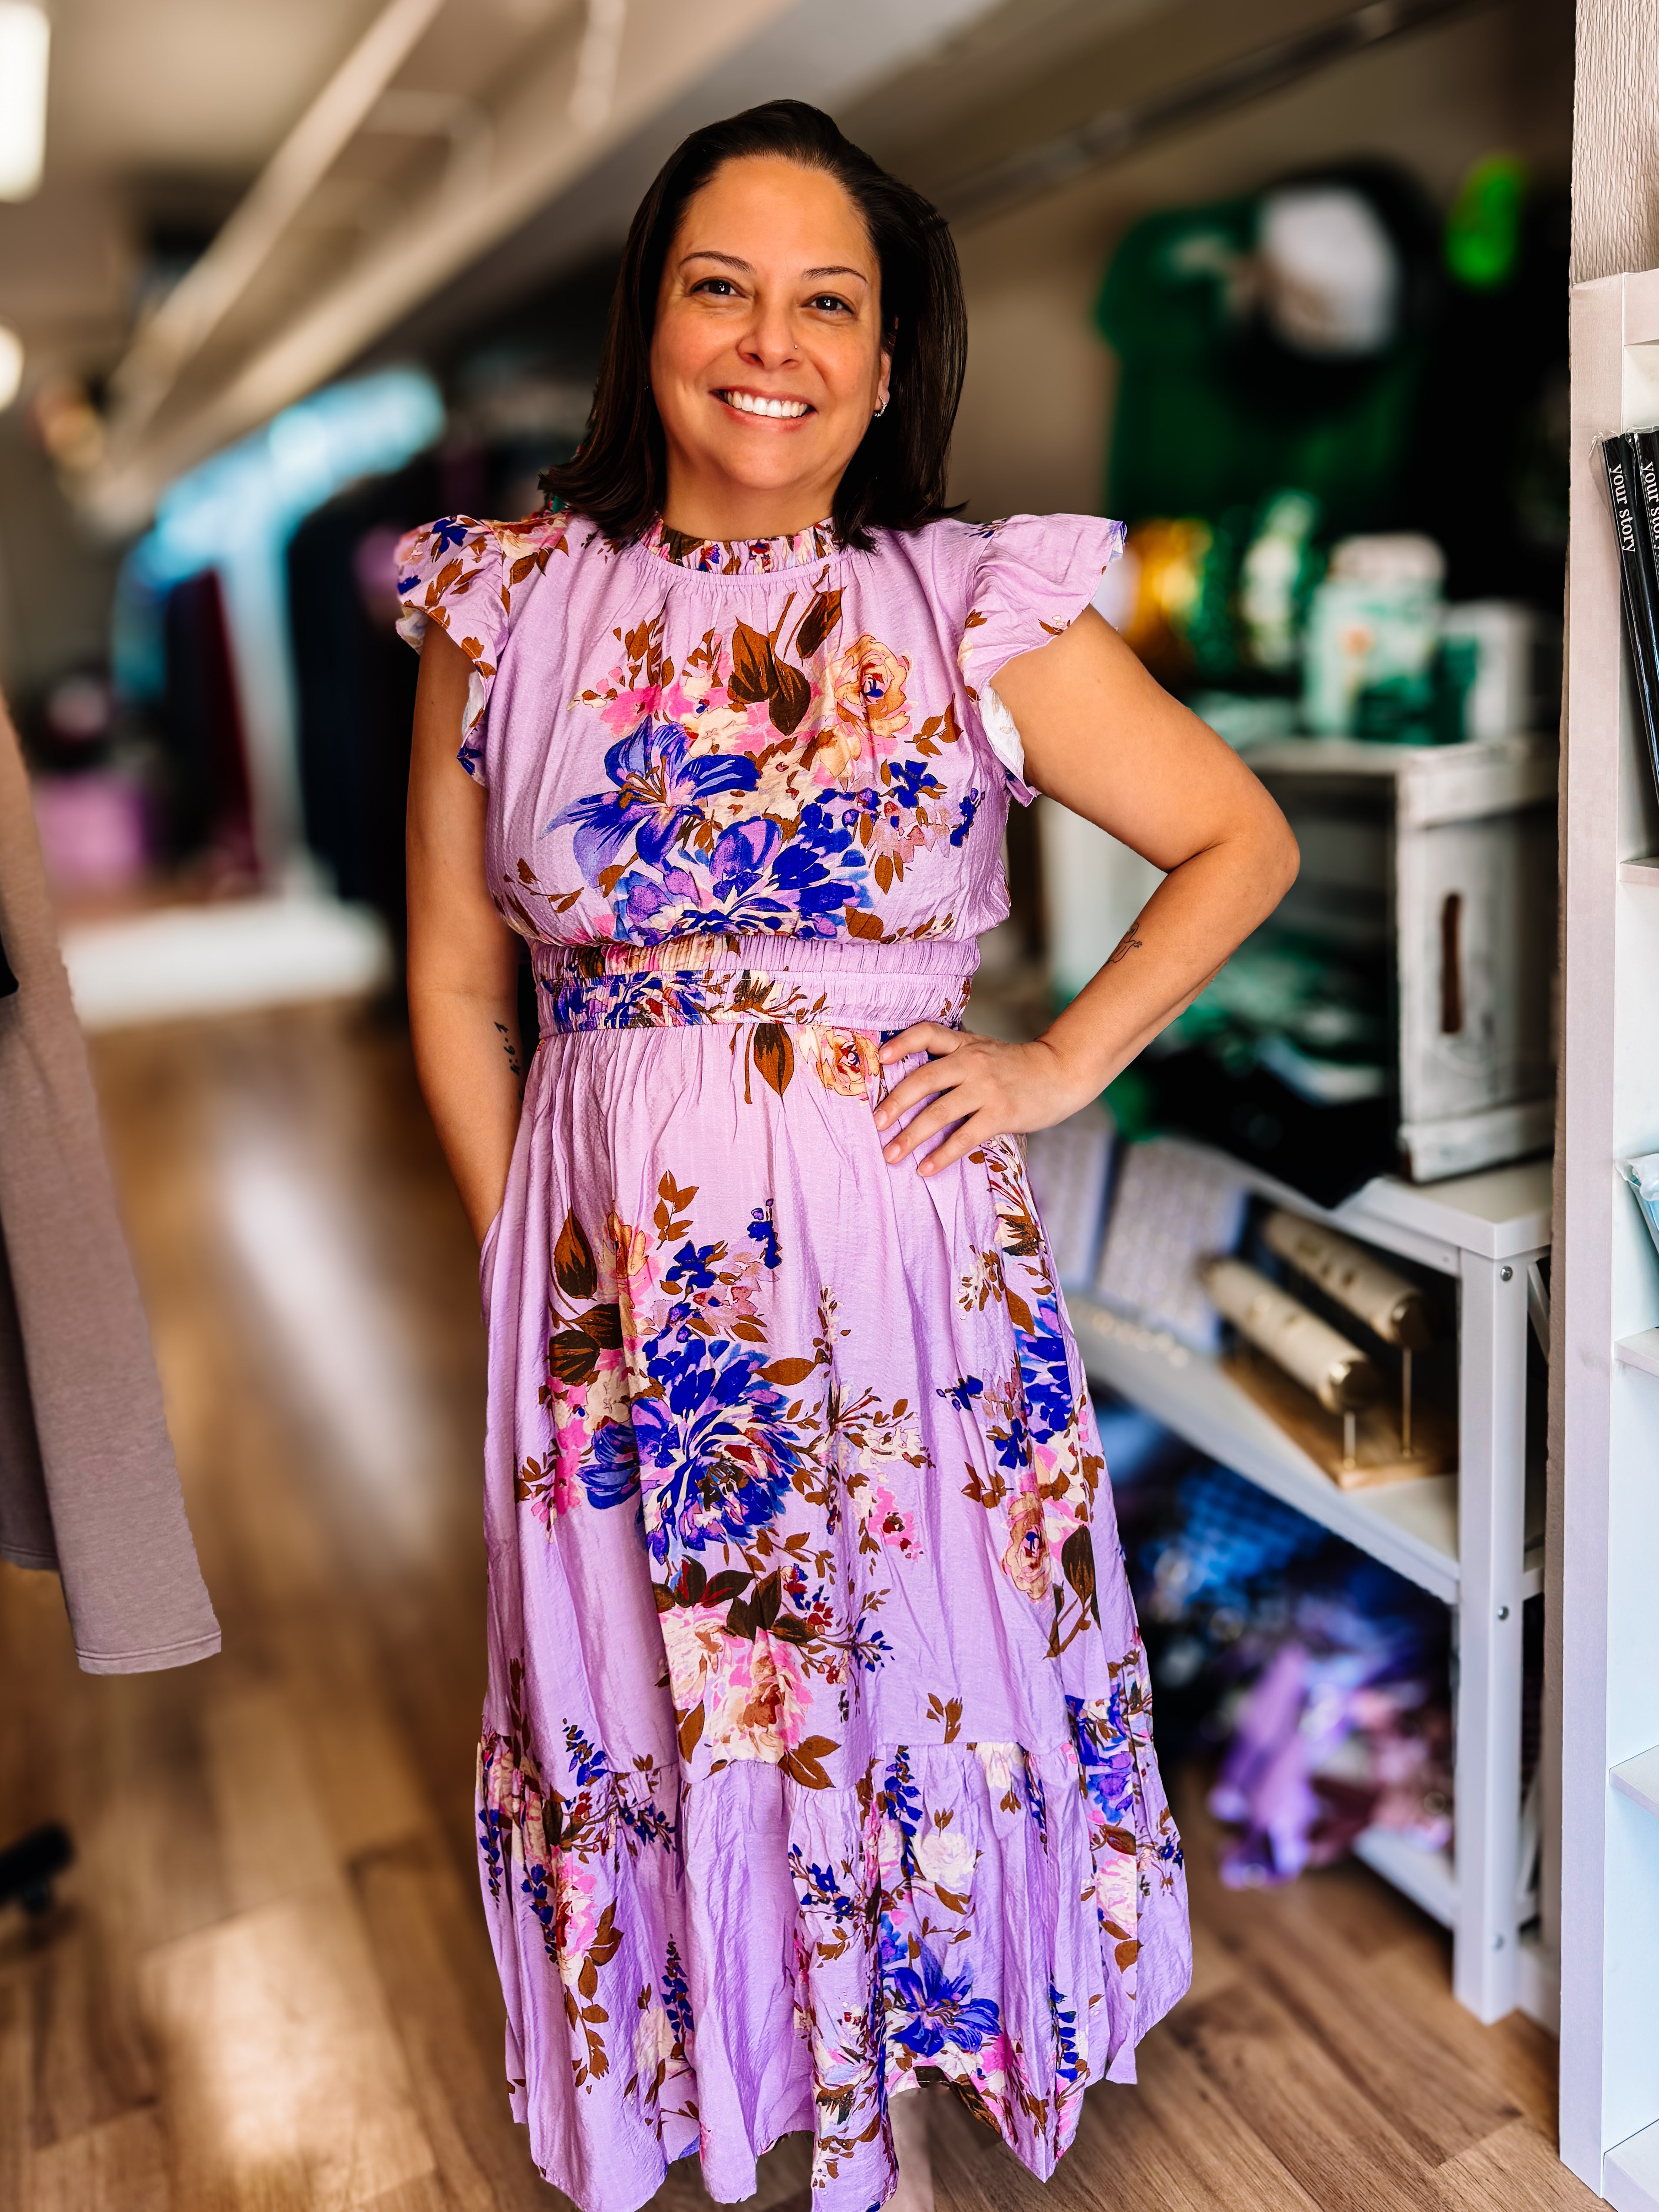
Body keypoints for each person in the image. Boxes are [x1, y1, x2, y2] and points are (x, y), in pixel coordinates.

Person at [399, 98, 1296, 2212]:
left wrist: (1061, 1058)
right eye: (720, 286)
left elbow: (1230, 835)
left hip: (904, 1270)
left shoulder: (966, 598)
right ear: (649, 327)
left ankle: (918, 2062)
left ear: (887, 362)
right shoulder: (503, 605)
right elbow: (454, 989)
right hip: (615, 1294)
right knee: (655, 1684)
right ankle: (734, 2088)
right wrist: (524, 1253)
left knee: (911, 1679)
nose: (769, 341)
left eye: (830, 300)